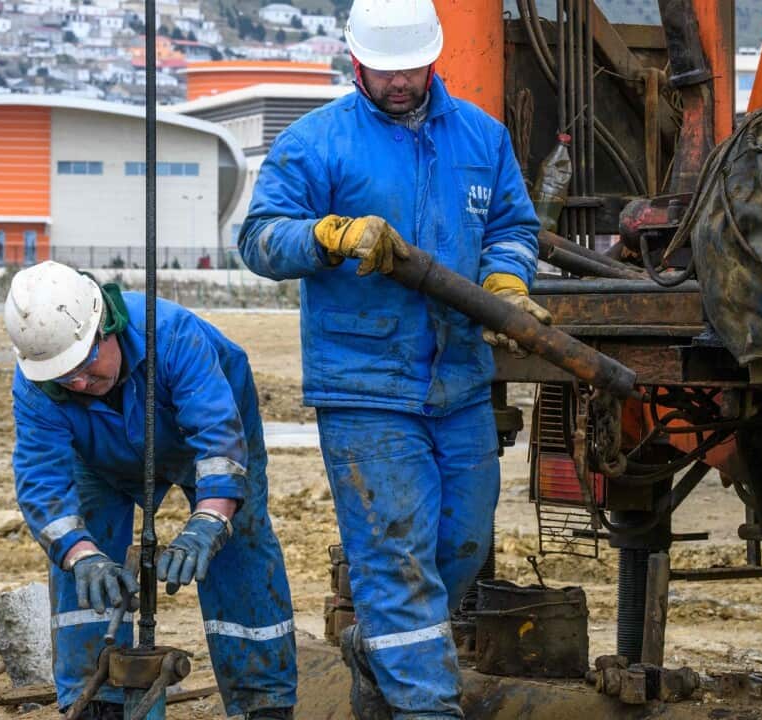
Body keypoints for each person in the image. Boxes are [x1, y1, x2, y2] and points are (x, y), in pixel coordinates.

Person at [236, 1, 548, 717]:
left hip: (460, 379)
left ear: (433, 58)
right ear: (356, 63)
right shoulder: (317, 144)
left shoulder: (482, 137)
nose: (402, 82)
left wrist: (505, 281)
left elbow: (510, 224)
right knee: (396, 560)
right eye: (387, 70)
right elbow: (257, 239)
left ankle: (377, 649)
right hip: (365, 387)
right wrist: (329, 236)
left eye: (413, 67)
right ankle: (428, 707)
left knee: (460, 547)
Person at [5, 261, 297, 720]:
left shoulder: (174, 336)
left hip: (200, 433)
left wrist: (210, 522)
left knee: (241, 546)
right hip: (100, 459)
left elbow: (218, 440)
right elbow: (42, 481)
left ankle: (263, 701)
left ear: (109, 328)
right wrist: (84, 556)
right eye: (65, 378)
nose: (79, 383)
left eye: (84, 365)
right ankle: (95, 699)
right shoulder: (38, 384)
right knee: (82, 565)